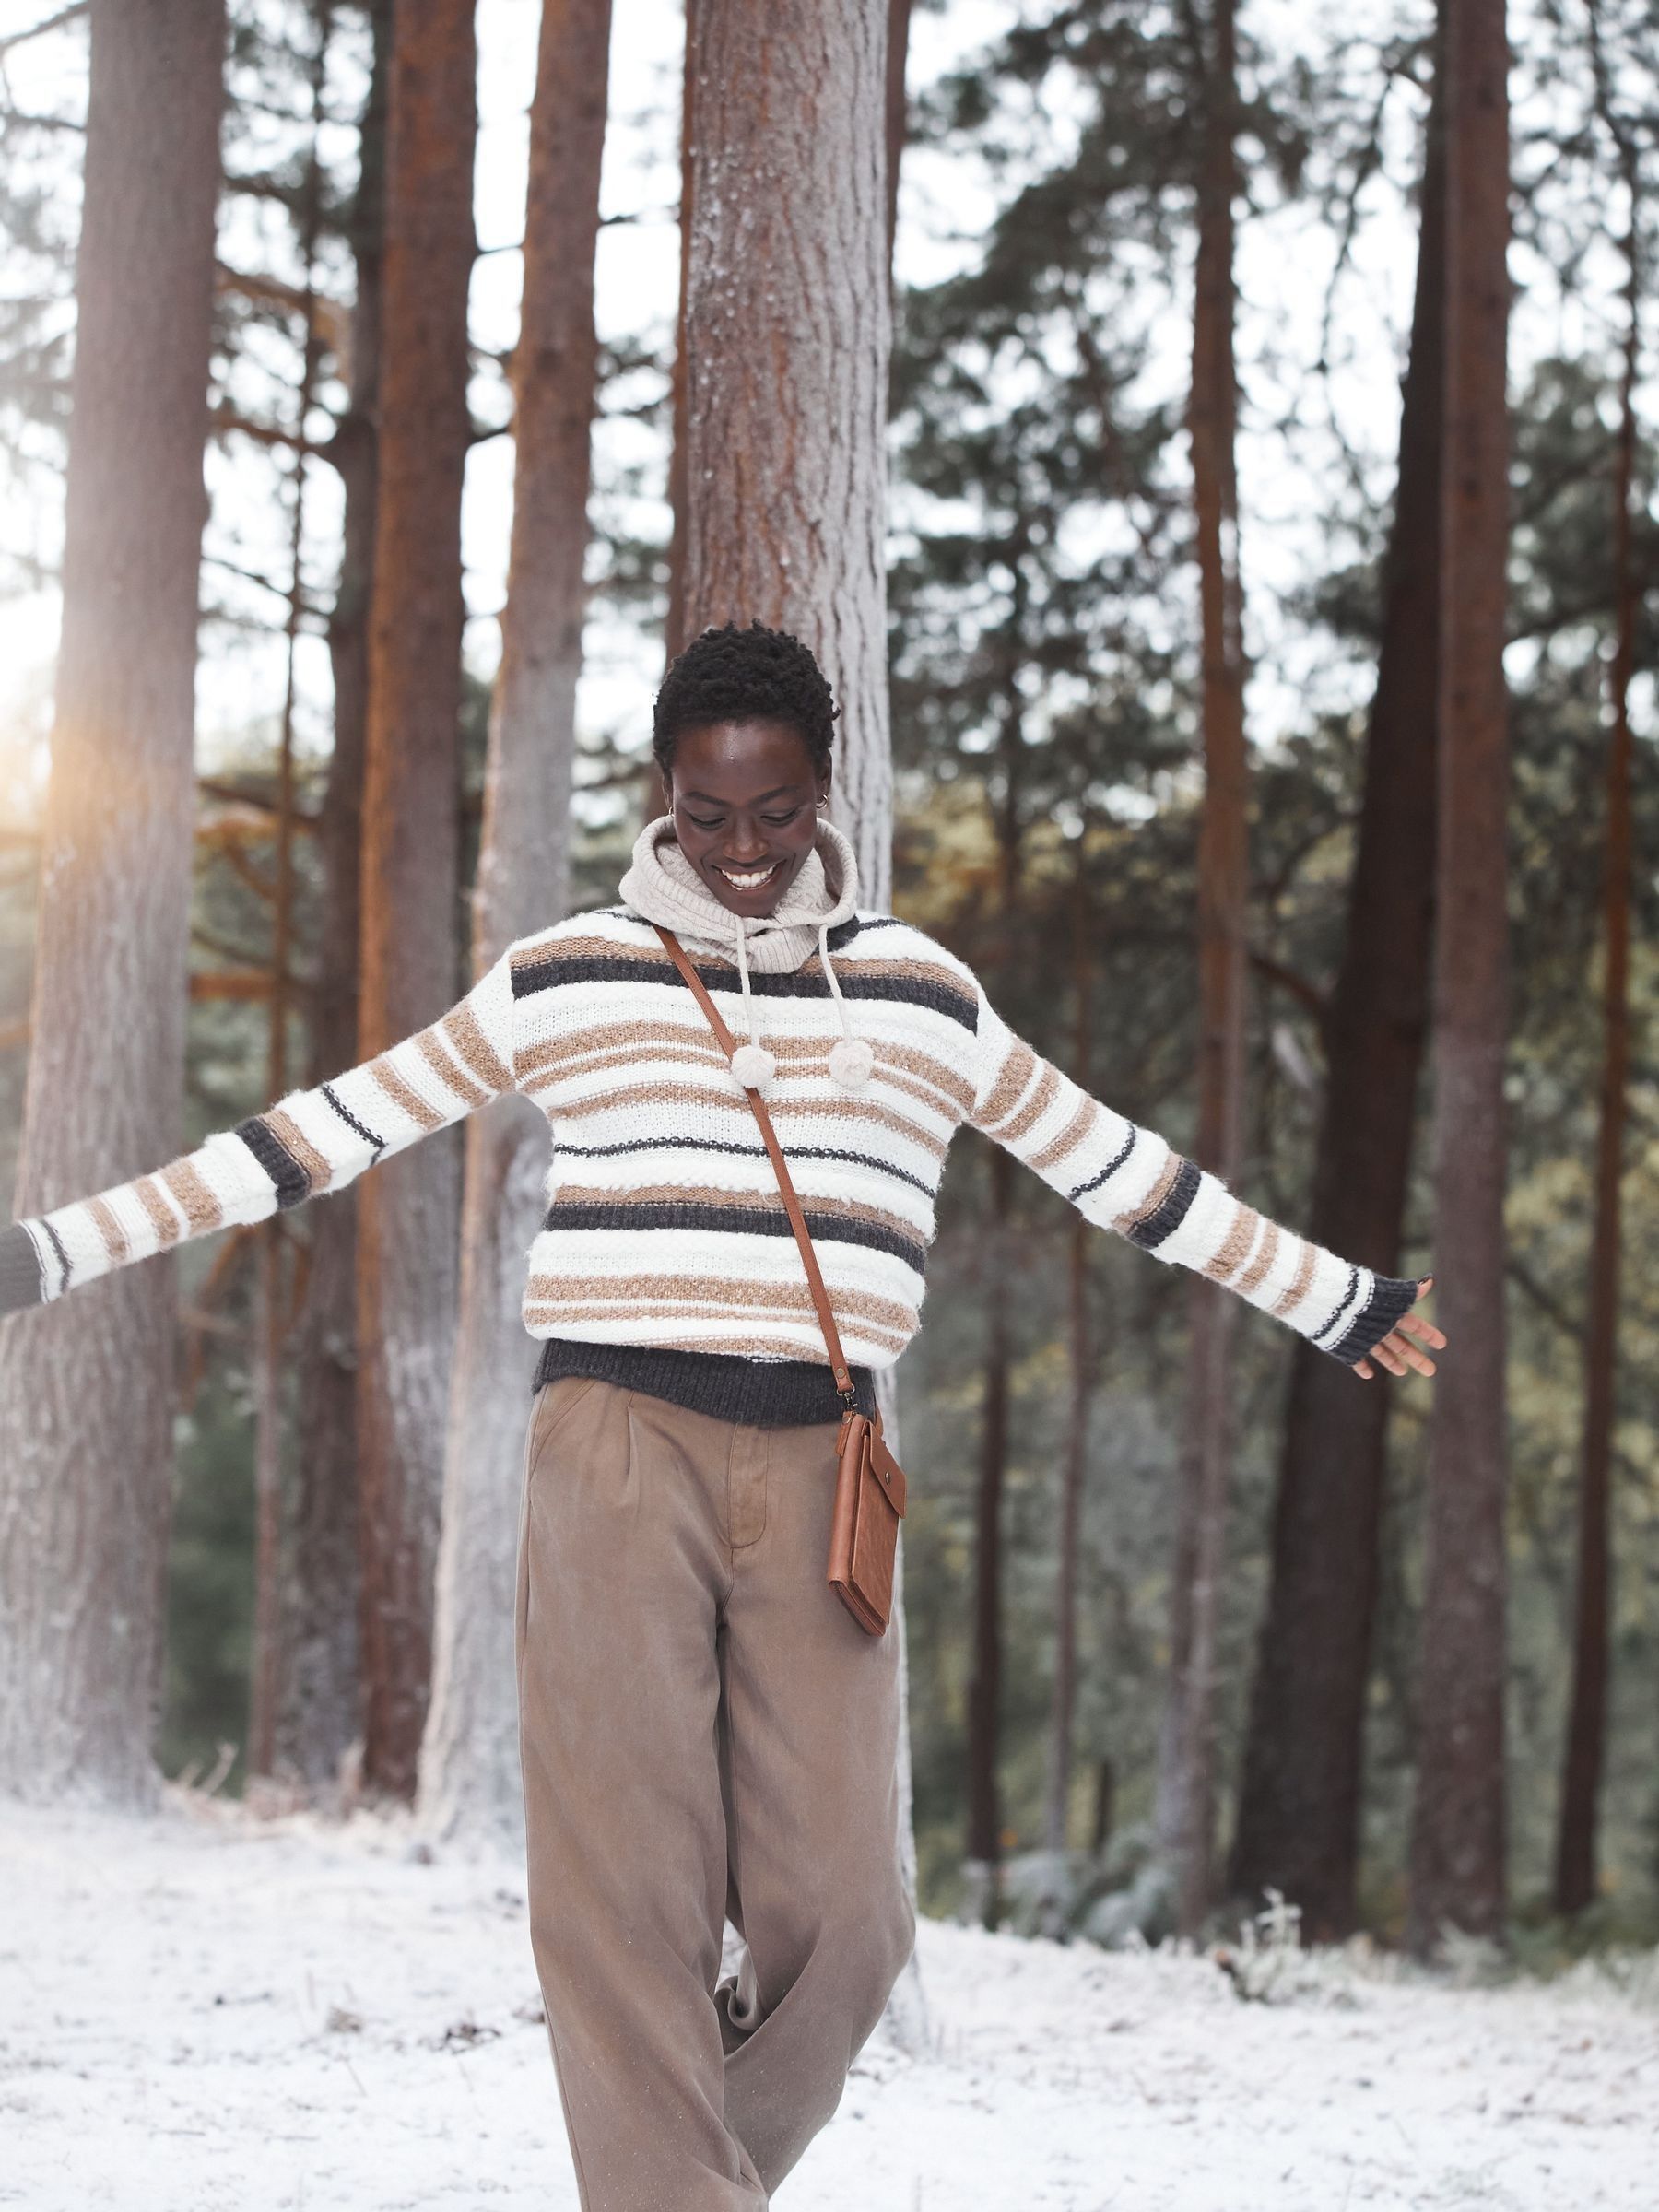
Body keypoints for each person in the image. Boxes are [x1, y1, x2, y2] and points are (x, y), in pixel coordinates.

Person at [0, 619, 1445, 2206]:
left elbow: (1122, 1173)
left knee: (853, 1910)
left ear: (827, 792)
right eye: (709, 815)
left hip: (830, 1466)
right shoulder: (565, 974)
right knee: (627, 1897)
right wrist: (55, 1249)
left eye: (776, 813)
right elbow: (321, 1134)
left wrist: (1331, 1297)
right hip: (614, 1451)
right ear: (665, 797)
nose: (744, 851)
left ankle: (681, 2183)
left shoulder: (919, 995)